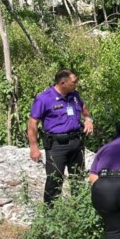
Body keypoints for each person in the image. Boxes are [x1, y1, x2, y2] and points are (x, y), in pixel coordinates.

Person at [27, 69, 94, 204]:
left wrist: (88, 119)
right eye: (74, 82)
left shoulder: (74, 95)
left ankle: (79, 211)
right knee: (54, 179)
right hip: (56, 145)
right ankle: (51, 215)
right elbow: (33, 123)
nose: (76, 84)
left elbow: (84, 108)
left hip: (76, 142)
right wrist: (34, 147)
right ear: (63, 83)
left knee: (78, 178)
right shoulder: (44, 98)